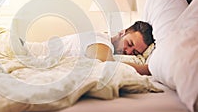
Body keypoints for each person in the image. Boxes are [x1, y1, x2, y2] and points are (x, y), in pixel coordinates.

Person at [23, 21, 154, 75]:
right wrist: (148, 69)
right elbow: (106, 64)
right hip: (22, 51)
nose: (128, 52)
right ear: (122, 33)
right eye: (129, 44)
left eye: (135, 52)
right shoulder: (101, 40)